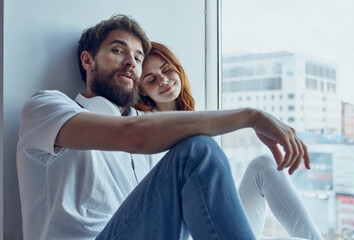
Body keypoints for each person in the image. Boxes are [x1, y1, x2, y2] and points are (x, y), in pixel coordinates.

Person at [17, 14, 312, 240]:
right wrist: (251, 116)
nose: (131, 62)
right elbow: (132, 136)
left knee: (253, 162)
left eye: (137, 57)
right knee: (198, 149)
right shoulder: (48, 108)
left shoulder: (145, 130)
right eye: (118, 51)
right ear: (88, 60)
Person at [135, 42, 323, 240]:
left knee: (264, 164)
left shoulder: (198, 121)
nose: (163, 80)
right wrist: (253, 118)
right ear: (143, 91)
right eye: (151, 79)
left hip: (218, 223)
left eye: (166, 70)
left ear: (177, 69)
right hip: (192, 231)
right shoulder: (147, 128)